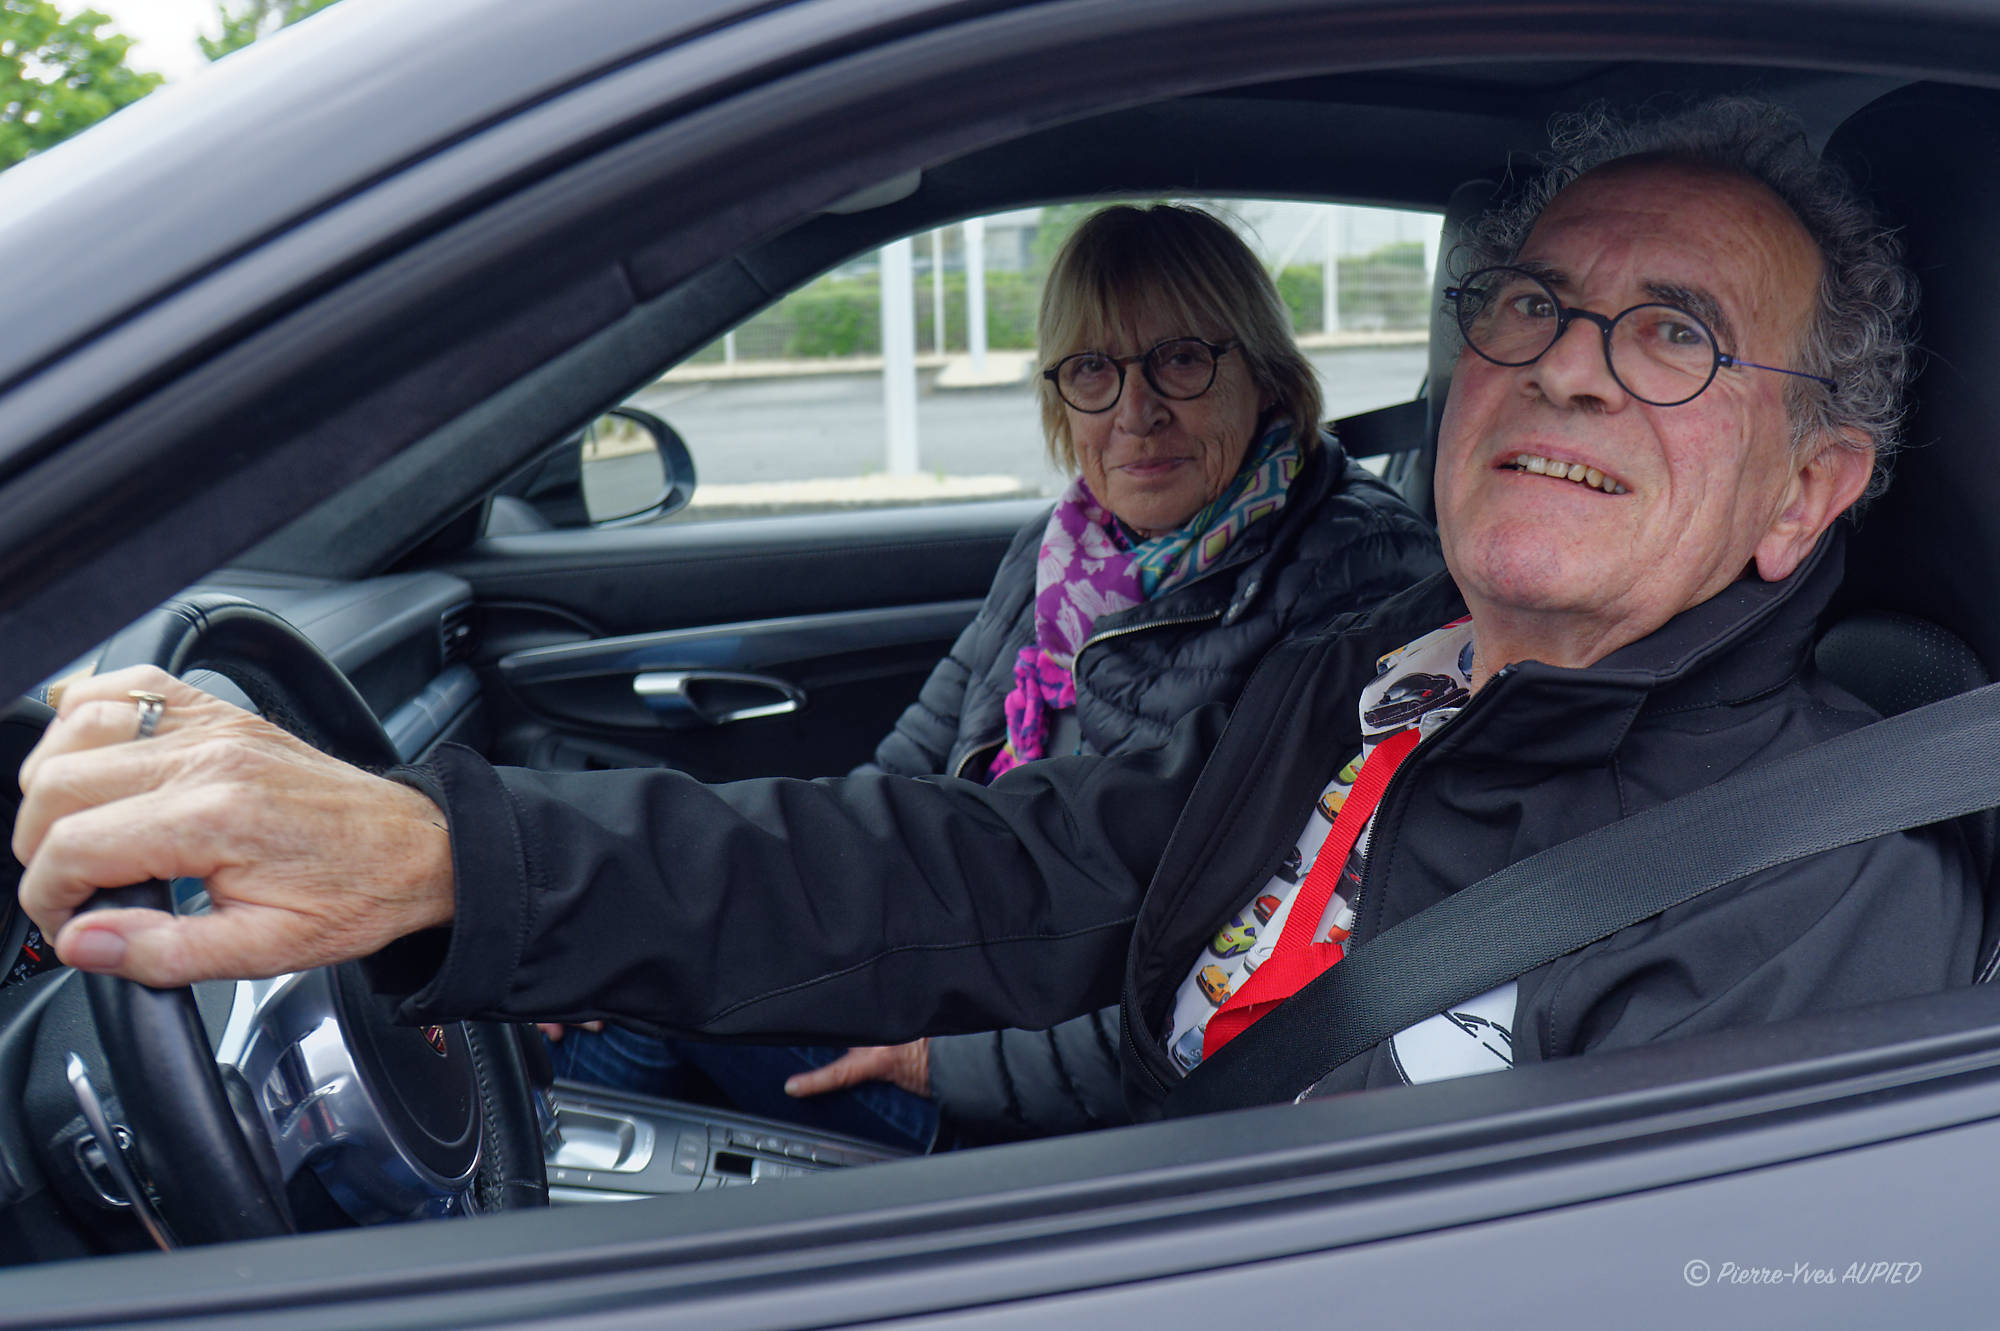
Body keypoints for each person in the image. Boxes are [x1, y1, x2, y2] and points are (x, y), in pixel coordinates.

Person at [14, 98, 1982, 1120]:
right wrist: (446, 858)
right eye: (1533, 306)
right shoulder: (1374, 686)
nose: (1565, 368)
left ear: (1807, 491)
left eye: (1672, 335)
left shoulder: (1817, 903)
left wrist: (947, 1087)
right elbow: (972, 860)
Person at [538, 203, 1442, 1148]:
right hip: (957, 971)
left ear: (1263, 373)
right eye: (1092, 370)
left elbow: (1255, 962)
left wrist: (943, 1058)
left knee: (634, 1029)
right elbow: (899, 789)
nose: (1135, 412)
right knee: (634, 984)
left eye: (1180, 359)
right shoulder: (1062, 552)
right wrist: (659, 936)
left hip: (1093, 1101)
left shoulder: (1356, 580)